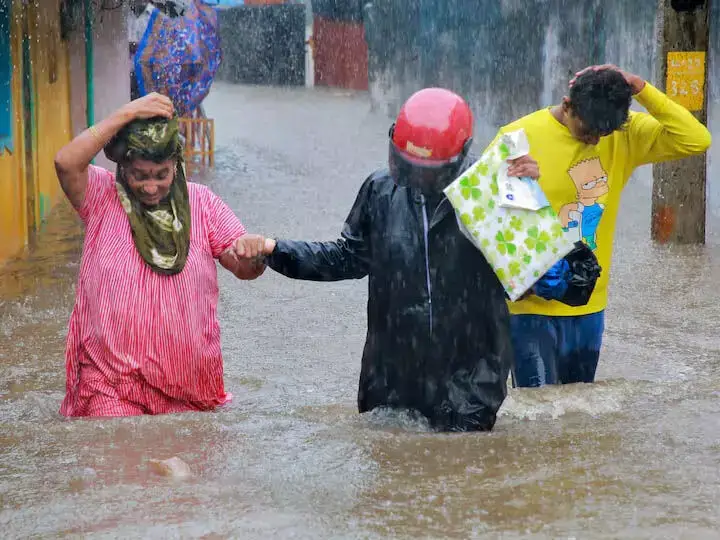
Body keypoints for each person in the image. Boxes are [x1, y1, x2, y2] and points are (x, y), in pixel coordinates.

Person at [238, 88, 567, 432]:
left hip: (471, 383)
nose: (417, 181)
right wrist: (275, 250)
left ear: (461, 156)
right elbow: (347, 258)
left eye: (429, 173)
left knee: (469, 478)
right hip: (391, 381)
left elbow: (567, 283)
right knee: (390, 473)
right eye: (409, 168)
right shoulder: (380, 193)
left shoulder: (494, 193)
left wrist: (532, 208)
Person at [496, 64, 712, 388]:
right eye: (587, 132)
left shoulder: (624, 136)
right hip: (530, 306)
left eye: (602, 135)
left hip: (588, 304)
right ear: (567, 106)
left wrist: (642, 89)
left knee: (576, 414)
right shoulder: (517, 138)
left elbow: (696, 138)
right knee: (536, 412)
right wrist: (511, 182)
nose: (595, 140)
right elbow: (481, 214)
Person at [54, 92, 268, 417]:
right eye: (140, 175)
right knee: (116, 460)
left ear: (176, 166)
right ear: (123, 167)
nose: (150, 187)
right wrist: (128, 112)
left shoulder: (202, 204)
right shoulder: (101, 196)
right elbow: (66, 162)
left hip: (190, 385)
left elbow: (242, 267)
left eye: (161, 175)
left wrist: (253, 256)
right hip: (112, 384)